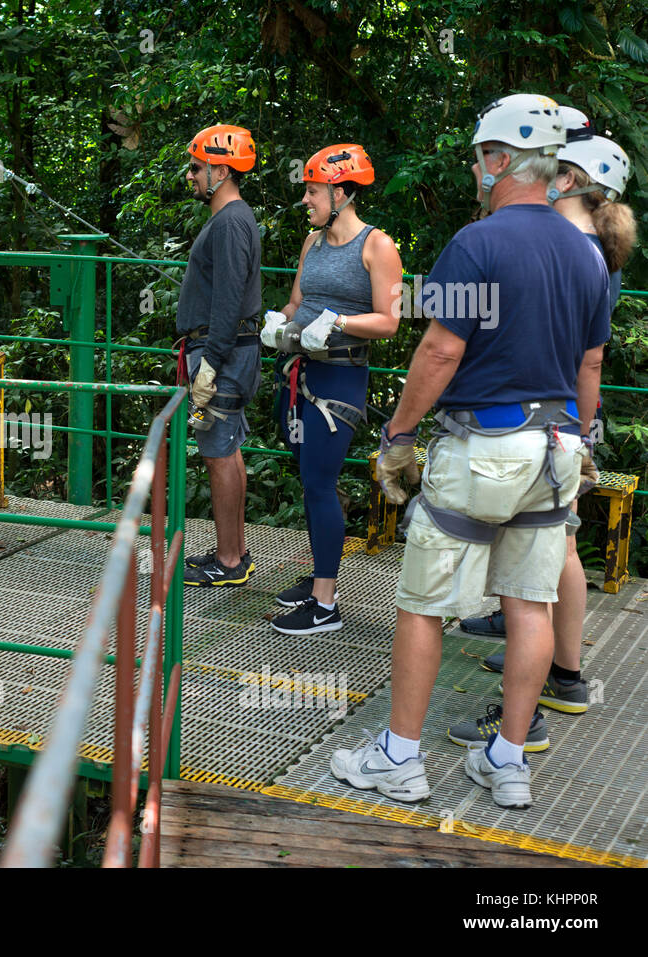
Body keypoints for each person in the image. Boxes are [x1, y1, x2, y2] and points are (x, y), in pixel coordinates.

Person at [331, 94, 608, 809]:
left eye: (481, 156)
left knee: (424, 603)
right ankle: (509, 761)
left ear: (499, 160)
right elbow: (589, 365)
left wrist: (398, 433)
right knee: (529, 603)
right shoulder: (586, 250)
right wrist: (584, 435)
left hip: (484, 446)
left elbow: (442, 348)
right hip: (555, 449)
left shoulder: (477, 242)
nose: (477, 169)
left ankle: (398, 757)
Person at [450, 110, 636, 747]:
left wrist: (579, 437)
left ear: (574, 178)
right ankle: (560, 674)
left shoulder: (575, 250)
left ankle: (543, 694)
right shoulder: (590, 250)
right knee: (549, 557)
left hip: (545, 428)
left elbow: (587, 359)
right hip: (562, 429)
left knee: (545, 562)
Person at [261, 144, 403, 635]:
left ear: (341, 193)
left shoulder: (377, 246)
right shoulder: (312, 243)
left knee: (319, 481)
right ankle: (322, 574)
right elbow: (299, 299)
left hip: (339, 378)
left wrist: (340, 320)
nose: (306, 199)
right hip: (299, 371)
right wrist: (278, 321)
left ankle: (325, 605)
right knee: (308, 476)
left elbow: (389, 321)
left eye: (314, 190)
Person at [176, 124, 262, 588]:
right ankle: (235, 551)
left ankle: (230, 561)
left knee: (218, 453)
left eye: (196, 167)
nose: (190, 175)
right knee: (227, 450)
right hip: (222, 348)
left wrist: (209, 363)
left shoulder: (230, 221)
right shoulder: (232, 218)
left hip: (222, 353)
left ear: (221, 169)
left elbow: (229, 298)